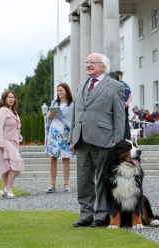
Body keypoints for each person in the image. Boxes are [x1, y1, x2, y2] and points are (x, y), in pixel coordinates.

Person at [69, 53, 125, 228]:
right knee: (83, 180)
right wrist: (72, 138)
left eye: (93, 62)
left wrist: (117, 140)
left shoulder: (115, 86)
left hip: (104, 139)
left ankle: (102, 215)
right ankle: (86, 215)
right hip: (81, 139)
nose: (88, 65)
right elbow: (76, 114)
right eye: (87, 62)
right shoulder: (81, 87)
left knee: (102, 179)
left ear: (103, 66)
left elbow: (119, 116)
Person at [45, 83, 75, 193]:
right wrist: (50, 116)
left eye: (61, 90)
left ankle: (66, 184)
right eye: (58, 91)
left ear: (66, 91)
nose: (59, 93)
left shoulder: (72, 105)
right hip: (54, 131)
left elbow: (73, 120)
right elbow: (48, 116)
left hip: (66, 132)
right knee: (53, 158)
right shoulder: (54, 102)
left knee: (66, 158)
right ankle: (52, 184)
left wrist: (72, 133)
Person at [0, 90, 24, 199]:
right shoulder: (3, 111)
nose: (11, 99)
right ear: (4, 99)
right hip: (4, 140)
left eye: (13, 97)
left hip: (13, 142)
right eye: (9, 97)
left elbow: (16, 128)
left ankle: (3, 189)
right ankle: (9, 187)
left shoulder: (14, 113)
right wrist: (1, 143)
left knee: (8, 166)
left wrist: (19, 137)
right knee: (17, 162)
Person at [115, 70, 132, 140]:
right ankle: (128, 138)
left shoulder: (117, 85)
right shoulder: (127, 85)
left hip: (119, 107)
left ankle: (122, 138)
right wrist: (127, 102)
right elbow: (131, 97)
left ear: (119, 76)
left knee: (119, 123)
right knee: (126, 123)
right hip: (126, 106)